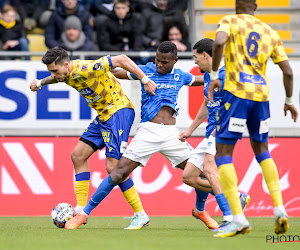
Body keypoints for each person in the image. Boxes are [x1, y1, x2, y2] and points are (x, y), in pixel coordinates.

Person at [65, 41, 232, 231]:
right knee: (118, 173)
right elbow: (118, 71)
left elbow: (200, 81)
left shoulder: (181, 76)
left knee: (201, 172)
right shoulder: (146, 71)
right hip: (147, 132)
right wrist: (98, 72)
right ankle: (83, 214)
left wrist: (218, 78)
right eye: (157, 60)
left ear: (175, 61)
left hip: (171, 135)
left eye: (165, 62)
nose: (160, 65)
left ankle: (200, 210)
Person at [29, 46, 157, 230]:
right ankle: (80, 209)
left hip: (118, 111)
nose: (54, 74)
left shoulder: (87, 68)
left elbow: (121, 58)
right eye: (51, 71)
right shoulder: (64, 74)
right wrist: (40, 83)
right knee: (78, 156)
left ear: (66, 64)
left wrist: (145, 80)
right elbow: (56, 78)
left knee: (114, 167)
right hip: (103, 117)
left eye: (55, 70)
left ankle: (141, 215)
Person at [208, 0, 298, 237]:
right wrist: (289, 100)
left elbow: (218, 42)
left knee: (223, 152)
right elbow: (287, 70)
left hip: (236, 94)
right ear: (255, 6)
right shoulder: (270, 31)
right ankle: (279, 209)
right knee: (262, 149)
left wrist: (215, 75)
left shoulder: (230, 21)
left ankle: (238, 218)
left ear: (236, 4)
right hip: (261, 97)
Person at [179, 38, 250, 233]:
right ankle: (236, 198)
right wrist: (190, 130)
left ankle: (230, 219)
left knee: (210, 168)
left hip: (223, 129)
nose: (194, 62)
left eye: (195, 57)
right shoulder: (211, 75)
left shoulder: (226, 74)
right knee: (189, 176)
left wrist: (225, 126)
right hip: (211, 131)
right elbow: (206, 103)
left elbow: (239, 101)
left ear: (205, 54)